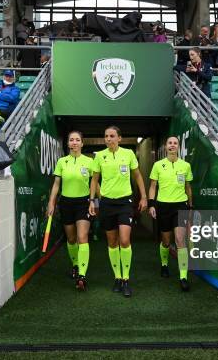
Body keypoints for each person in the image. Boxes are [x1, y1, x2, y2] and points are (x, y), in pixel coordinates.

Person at [89, 126, 148, 298]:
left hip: (125, 202)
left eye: (112, 136)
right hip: (107, 203)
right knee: (112, 242)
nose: (109, 139)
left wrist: (144, 197)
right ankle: (117, 278)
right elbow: (94, 180)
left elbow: (137, 176)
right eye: (106, 136)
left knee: (124, 240)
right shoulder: (99, 156)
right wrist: (93, 201)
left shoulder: (128, 154)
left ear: (119, 138)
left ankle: (126, 279)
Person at [47, 131, 94, 291]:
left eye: (77, 140)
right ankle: (75, 265)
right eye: (71, 140)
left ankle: (82, 275)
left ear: (82, 143)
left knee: (82, 237)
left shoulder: (89, 162)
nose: (74, 142)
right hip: (66, 203)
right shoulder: (62, 162)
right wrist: (51, 203)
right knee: (72, 239)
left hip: (84, 203)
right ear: (68, 144)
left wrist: (96, 204)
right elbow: (56, 185)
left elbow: (95, 185)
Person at [148, 136, 193, 291]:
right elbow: (153, 186)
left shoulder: (186, 166)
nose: (172, 145)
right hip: (163, 206)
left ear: (178, 146)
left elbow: (188, 187)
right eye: (170, 143)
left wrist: (191, 206)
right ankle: (164, 264)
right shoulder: (158, 165)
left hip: (180, 206)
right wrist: (151, 204)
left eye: (175, 143)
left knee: (180, 240)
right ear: (165, 146)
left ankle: (183, 277)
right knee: (166, 241)